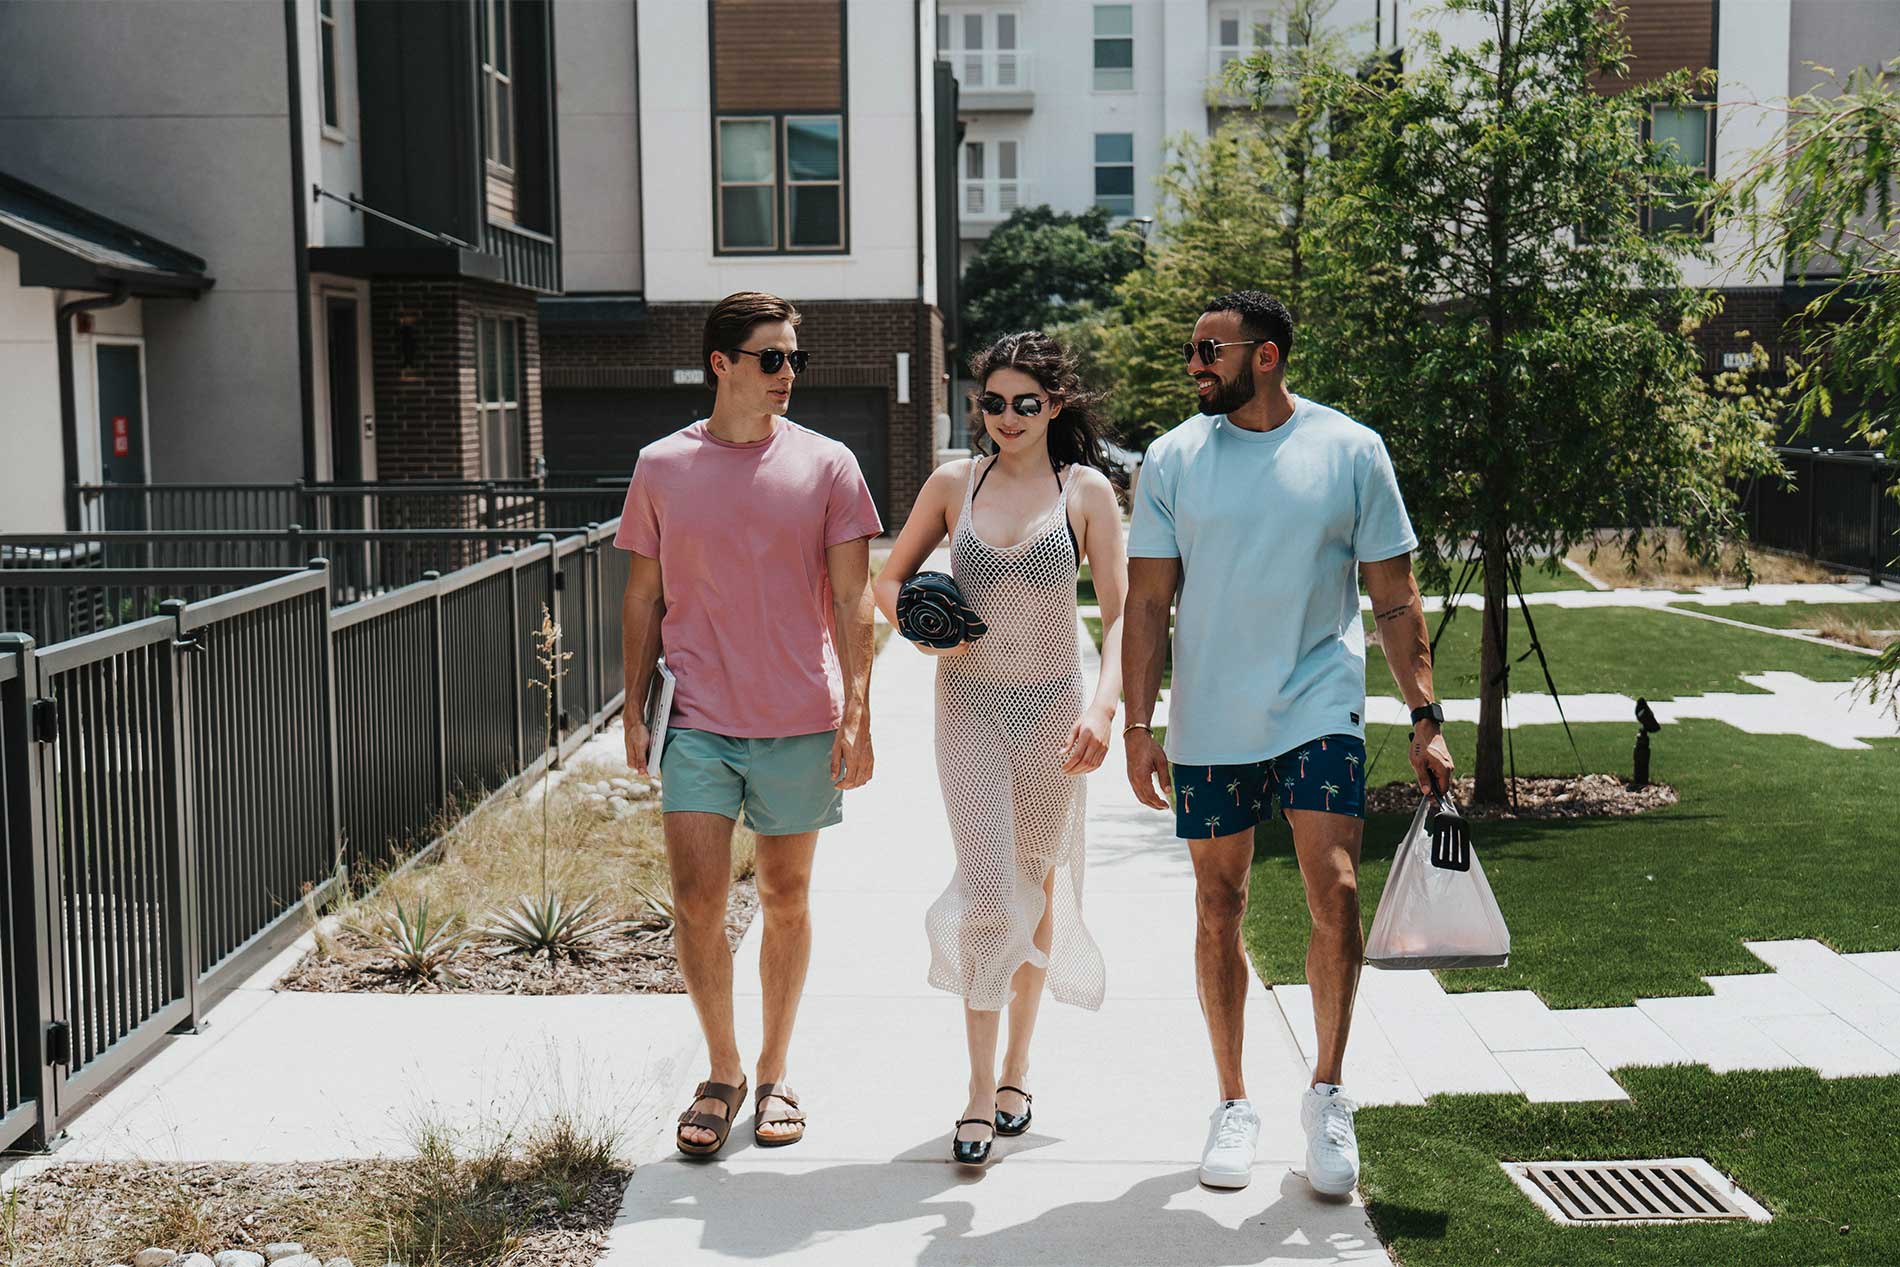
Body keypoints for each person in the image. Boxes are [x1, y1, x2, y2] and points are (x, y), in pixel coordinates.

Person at [1120, 291, 1453, 1196]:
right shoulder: (1172, 458)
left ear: (1264, 355)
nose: (1194, 363)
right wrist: (1139, 723)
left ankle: (1328, 1094)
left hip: (1319, 697)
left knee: (1335, 891)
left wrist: (1425, 714)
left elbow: (1393, 597)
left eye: (1208, 349)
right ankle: (1233, 1101)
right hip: (1210, 713)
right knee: (1218, 903)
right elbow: (1149, 601)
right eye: (1190, 349)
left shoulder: (1351, 450)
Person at [617, 291, 882, 1157]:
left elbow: (853, 601)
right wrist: (630, 705)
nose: (788, 373)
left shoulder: (830, 465)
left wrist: (859, 715)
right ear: (721, 363)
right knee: (697, 901)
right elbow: (643, 595)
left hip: (801, 716)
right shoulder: (662, 465)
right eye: (772, 357)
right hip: (696, 717)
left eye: (795, 358)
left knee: (785, 896)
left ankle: (774, 1071)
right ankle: (722, 1070)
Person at [873, 332, 1129, 1168]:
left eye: (1027, 402)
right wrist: (918, 631)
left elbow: (1123, 617)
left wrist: (1103, 708)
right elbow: (889, 577)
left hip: (1056, 709)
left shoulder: (1087, 492)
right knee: (989, 892)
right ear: (975, 406)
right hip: (970, 708)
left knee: (1036, 883)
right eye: (993, 402)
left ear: (1056, 405)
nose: (1008, 417)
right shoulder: (954, 482)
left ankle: (1020, 1067)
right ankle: (979, 1089)